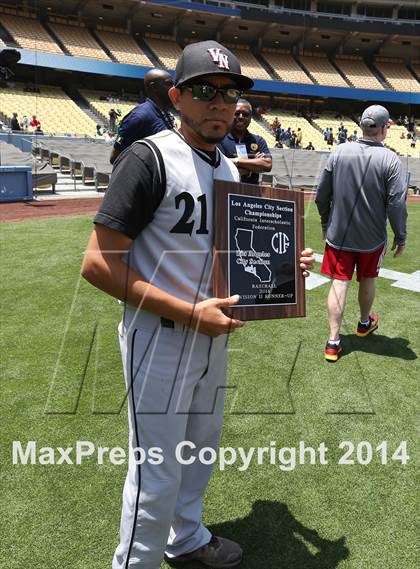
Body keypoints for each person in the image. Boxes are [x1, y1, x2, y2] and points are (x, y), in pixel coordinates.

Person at [81, 40, 314, 569]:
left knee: (200, 447)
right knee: (157, 468)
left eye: (230, 93)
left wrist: (283, 270)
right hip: (158, 335)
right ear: (177, 96)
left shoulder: (229, 169)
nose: (220, 102)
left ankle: (184, 539)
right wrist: (190, 313)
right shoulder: (150, 157)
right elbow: (98, 264)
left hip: (213, 333)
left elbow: (230, 254)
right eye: (205, 90)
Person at [315, 104, 407, 362]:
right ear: (385, 128)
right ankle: (364, 323)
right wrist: (401, 236)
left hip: (339, 236)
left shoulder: (339, 152)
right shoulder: (390, 158)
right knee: (367, 279)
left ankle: (333, 342)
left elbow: (322, 195)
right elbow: (397, 203)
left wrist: (325, 223)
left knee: (339, 282)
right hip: (372, 238)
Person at [110, 69, 175, 164]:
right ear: (154, 87)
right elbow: (115, 158)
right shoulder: (139, 117)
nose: (174, 88)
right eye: (169, 84)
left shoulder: (166, 114)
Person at [217, 98, 272, 184]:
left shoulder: (259, 141)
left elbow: (267, 165)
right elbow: (221, 167)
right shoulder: (220, 139)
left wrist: (236, 161)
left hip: (251, 193)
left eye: (245, 114)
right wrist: (253, 165)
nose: (241, 117)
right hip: (225, 190)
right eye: (237, 113)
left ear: (250, 118)